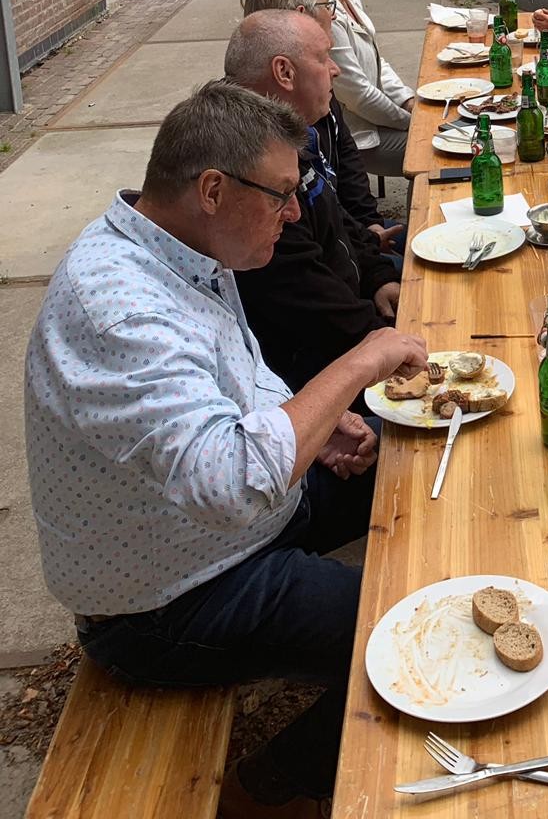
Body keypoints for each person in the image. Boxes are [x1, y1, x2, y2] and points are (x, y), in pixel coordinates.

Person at [24, 81, 427, 819]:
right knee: (411, 633)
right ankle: (268, 791)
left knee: (418, 457)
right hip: (168, 602)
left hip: (229, 529)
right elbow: (233, 484)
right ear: (213, 189)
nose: (295, 213)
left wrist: (315, 423)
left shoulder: (181, 249)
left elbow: (239, 376)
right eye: (282, 195)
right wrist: (359, 364)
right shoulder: (120, 312)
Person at [224, 11, 401, 394]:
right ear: (284, 72)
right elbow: (315, 310)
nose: (335, 69)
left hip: (352, 311)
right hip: (323, 374)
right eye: (323, 58)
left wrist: (377, 275)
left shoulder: (283, 131)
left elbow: (336, 214)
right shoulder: (253, 164)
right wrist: (392, 341)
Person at [240, 0, 404, 256]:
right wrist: (370, 254)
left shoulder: (312, 89)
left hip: (353, 242)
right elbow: (309, 248)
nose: (335, 13)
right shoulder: (266, 138)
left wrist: (371, 224)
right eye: (328, 5)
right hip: (340, 257)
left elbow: (347, 161)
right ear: (302, 15)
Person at [299, 0, 415, 178]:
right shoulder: (329, 18)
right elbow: (359, 96)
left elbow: (377, 61)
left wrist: (408, 100)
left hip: (379, 123)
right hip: (362, 140)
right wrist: (411, 121)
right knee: (436, 150)